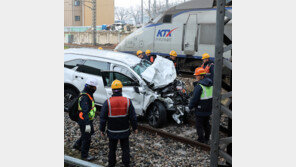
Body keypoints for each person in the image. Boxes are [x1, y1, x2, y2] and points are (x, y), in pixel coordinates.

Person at [100, 80, 138, 167]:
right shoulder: (127, 101)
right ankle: (126, 163)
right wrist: (135, 127)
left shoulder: (108, 102)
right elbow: (133, 117)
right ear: (121, 89)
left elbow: (103, 118)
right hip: (124, 130)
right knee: (125, 148)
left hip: (112, 131)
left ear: (112, 90)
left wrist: (102, 129)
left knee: (112, 149)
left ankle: (111, 164)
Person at [73, 78, 98, 161]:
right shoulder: (85, 97)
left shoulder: (87, 93)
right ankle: (84, 155)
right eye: (94, 87)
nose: (95, 89)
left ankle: (77, 144)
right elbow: (85, 112)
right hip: (84, 120)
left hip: (86, 120)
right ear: (91, 87)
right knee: (87, 137)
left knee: (89, 133)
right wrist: (87, 124)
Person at [188, 67, 213, 144]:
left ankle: (201, 139)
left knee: (199, 125)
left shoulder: (199, 86)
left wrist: (189, 107)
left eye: (197, 75)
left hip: (200, 109)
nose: (195, 77)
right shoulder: (210, 84)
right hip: (208, 109)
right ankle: (207, 138)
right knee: (206, 124)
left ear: (202, 76)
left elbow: (194, 99)